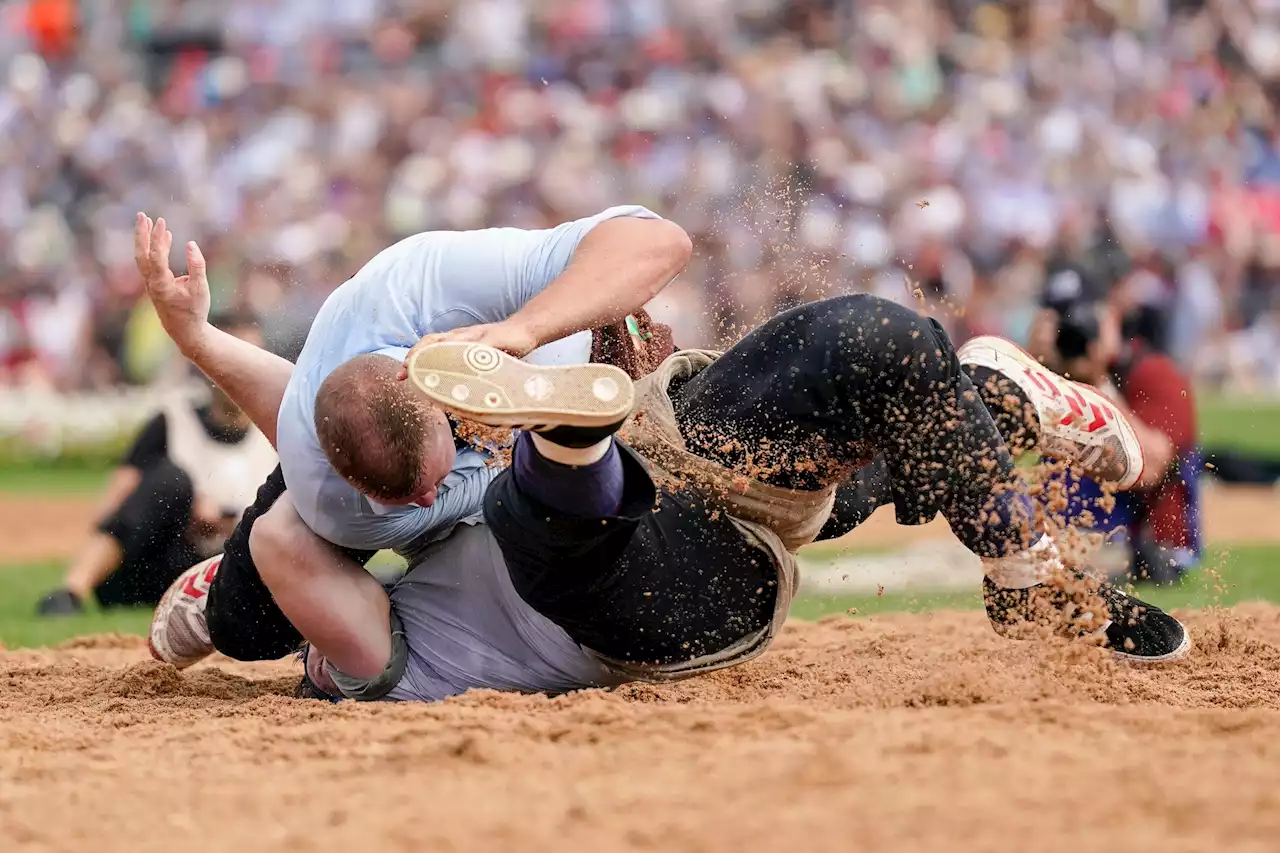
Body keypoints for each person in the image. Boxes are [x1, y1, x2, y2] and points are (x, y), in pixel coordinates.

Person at [154, 290, 1188, 702]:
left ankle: (1000, 454)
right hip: (658, 606)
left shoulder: (395, 556)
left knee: (881, 345)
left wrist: (204, 344)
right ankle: (567, 430)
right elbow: (290, 531)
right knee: (534, 524)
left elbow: (315, 459)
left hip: (682, 455)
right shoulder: (367, 670)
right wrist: (213, 603)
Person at [132, 206, 689, 666]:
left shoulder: (432, 282)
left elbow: (661, 242)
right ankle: (220, 593)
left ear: (443, 405)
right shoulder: (336, 496)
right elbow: (296, 410)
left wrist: (525, 329)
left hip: (549, 353)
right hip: (354, 454)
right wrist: (196, 341)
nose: (426, 498)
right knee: (249, 631)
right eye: (404, 495)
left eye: (429, 480)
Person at [36, 311, 276, 616]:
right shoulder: (173, 420)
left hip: (224, 573)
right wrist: (186, 508)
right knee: (171, 481)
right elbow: (110, 510)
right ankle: (71, 593)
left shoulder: (275, 432)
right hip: (154, 565)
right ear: (205, 366)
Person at [1032, 300, 1200, 584]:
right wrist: (1033, 369)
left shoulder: (1151, 374)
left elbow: (1153, 467)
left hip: (1136, 545)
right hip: (1064, 536)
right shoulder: (1050, 382)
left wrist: (1098, 390)